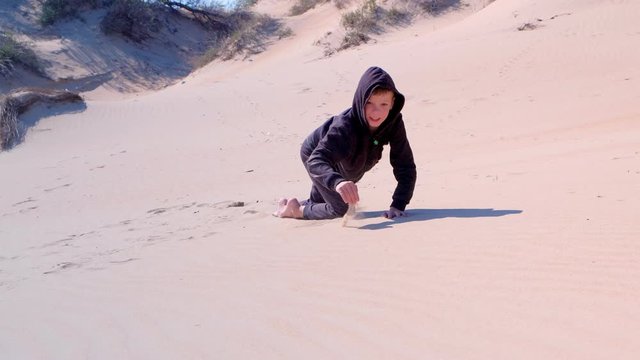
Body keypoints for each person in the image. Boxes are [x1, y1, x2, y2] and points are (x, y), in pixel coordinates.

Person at [275, 66, 417, 220]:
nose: (376, 112)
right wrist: (337, 182)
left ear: (392, 103)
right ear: (360, 99)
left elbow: (405, 166)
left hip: (350, 158)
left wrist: (398, 204)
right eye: (369, 103)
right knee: (340, 208)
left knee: (327, 196)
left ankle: (290, 206)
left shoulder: (394, 122)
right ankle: (296, 211)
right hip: (316, 152)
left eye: (383, 104)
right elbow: (316, 159)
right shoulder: (345, 126)